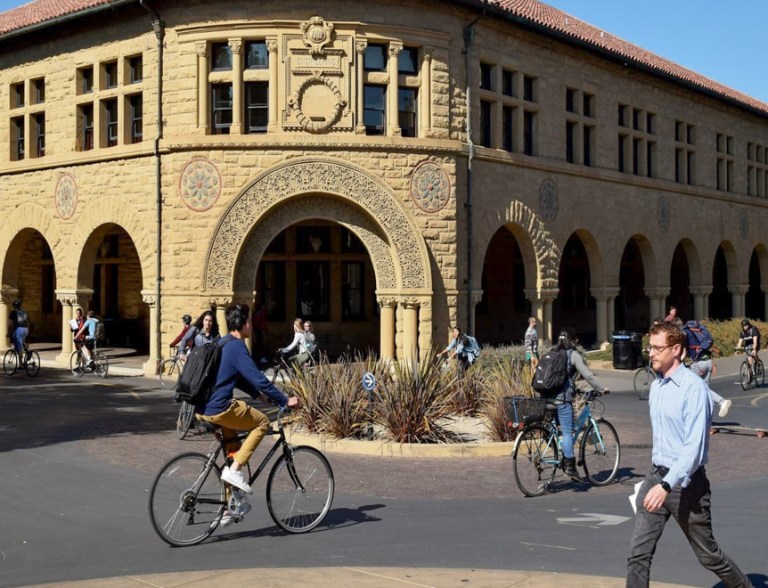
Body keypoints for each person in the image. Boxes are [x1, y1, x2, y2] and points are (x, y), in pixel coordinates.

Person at [626, 321, 752, 587]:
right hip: (656, 476)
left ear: (676, 350)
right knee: (638, 554)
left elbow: (693, 449)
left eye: (658, 348)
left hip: (686, 485)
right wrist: (657, 482)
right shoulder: (657, 386)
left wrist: (666, 485)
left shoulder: (693, 389)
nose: (651, 353)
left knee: (709, 556)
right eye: (650, 347)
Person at [196, 304, 299, 526]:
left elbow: (239, 377)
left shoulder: (222, 343)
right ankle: (234, 473)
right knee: (262, 422)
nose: (251, 326)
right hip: (220, 408)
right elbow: (258, 378)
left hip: (203, 409)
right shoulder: (237, 347)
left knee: (232, 453)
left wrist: (257, 396)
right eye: (249, 322)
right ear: (242, 324)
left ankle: (227, 507)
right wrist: (284, 400)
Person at [547, 327, 609, 480]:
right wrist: (601, 388)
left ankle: (561, 457)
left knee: (560, 431)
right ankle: (570, 467)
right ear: (573, 341)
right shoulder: (573, 354)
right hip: (562, 399)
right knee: (567, 432)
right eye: (576, 340)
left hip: (547, 398)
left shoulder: (551, 352)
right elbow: (587, 374)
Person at [683, 319, 731, 418]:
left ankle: (721, 401)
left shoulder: (686, 331)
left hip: (698, 364)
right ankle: (707, 417)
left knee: (691, 387)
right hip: (708, 362)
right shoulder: (700, 330)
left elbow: (683, 348)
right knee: (705, 391)